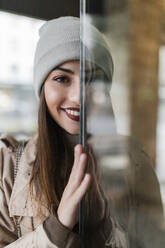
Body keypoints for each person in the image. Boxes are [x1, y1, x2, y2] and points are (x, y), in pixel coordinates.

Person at [0, 17, 128, 248]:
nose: (78, 97)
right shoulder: (6, 168)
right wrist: (56, 229)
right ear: (42, 88)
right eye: (61, 79)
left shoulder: (135, 163)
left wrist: (101, 227)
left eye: (92, 79)